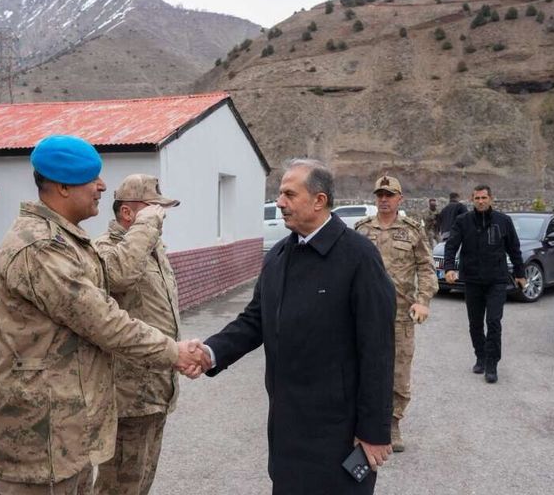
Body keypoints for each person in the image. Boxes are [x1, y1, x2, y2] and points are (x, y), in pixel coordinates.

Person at [0, 135, 205, 495]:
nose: (102, 187)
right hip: (41, 437)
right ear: (62, 187)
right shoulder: (40, 246)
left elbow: (109, 283)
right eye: (92, 178)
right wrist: (175, 352)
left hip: (67, 430)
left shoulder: (67, 240)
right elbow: (104, 321)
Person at [196, 159, 396, 495]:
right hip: (287, 428)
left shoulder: (358, 257)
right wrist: (210, 352)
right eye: (280, 194)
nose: (280, 202)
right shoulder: (277, 257)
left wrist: (374, 430)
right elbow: (255, 319)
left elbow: (378, 349)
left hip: (338, 432)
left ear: (319, 201)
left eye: (289, 194)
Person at [93, 174, 182, 495]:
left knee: (141, 480)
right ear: (128, 213)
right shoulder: (107, 249)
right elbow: (119, 278)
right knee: (117, 486)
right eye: (154, 209)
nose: (161, 216)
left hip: (157, 387)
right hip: (129, 394)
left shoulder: (152, 247)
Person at [355, 176, 438, 453]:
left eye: (389, 195)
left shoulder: (412, 231)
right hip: (364, 315)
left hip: (401, 315)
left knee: (398, 373)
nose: (384, 199)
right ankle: (361, 423)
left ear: (399, 199)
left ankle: (392, 423)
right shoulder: (361, 230)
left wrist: (423, 300)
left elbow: (427, 268)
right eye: (380, 194)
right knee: (360, 367)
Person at [443, 185, 526, 384]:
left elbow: (514, 248)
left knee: (494, 322)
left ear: (491, 199)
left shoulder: (503, 221)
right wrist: (449, 268)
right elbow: (451, 245)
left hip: (496, 280)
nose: (481, 201)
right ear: (472, 199)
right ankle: (480, 356)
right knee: (475, 323)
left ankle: (492, 364)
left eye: (484, 197)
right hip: (472, 280)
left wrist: (520, 273)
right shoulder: (463, 221)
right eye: (477, 198)